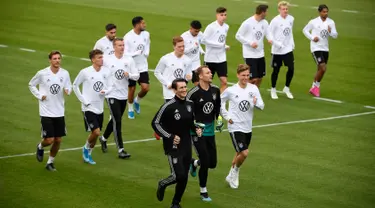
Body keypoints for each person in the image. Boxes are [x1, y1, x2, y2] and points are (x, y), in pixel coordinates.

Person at [151, 78, 203, 208]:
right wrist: (169, 136)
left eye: (185, 87)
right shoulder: (168, 106)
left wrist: (196, 129)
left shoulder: (190, 104)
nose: (184, 90)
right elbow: (155, 123)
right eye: (181, 88)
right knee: (177, 175)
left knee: (184, 177)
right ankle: (163, 183)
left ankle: (175, 203)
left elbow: (190, 123)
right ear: (174, 90)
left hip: (186, 145)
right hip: (172, 146)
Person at [220, 64, 265, 189]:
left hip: (248, 126)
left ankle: (230, 175)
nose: (245, 77)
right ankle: (235, 172)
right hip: (235, 126)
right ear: (238, 75)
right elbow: (220, 102)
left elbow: (262, 105)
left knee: (239, 153)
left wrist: (256, 103)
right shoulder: (231, 90)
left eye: (247, 75)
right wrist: (227, 116)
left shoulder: (254, 88)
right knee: (244, 153)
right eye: (243, 75)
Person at [29, 50, 72, 171]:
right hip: (46, 111)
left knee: (58, 140)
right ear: (50, 60)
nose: (57, 60)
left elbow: (69, 85)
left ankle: (50, 162)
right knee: (49, 139)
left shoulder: (65, 73)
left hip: (59, 111)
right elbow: (31, 85)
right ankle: (40, 146)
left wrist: (68, 90)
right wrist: (39, 95)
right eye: (55, 58)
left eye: (59, 58)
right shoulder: (42, 73)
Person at [186, 66, 222, 201]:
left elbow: (217, 107)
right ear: (200, 76)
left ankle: (194, 163)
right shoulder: (193, 93)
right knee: (206, 161)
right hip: (197, 132)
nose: (211, 74)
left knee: (212, 163)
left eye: (211, 72)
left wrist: (218, 119)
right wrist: (195, 126)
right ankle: (203, 191)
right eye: (208, 73)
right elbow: (187, 112)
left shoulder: (215, 90)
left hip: (210, 131)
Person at [99, 38, 139, 158]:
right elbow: (98, 70)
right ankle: (121, 149)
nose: (122, 47)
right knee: (118, 121)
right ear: (114, 47)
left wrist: (129, 75)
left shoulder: (129, 59)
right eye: (119, 45)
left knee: (115, 120)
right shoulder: (107, 59)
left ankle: (103, 138)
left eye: (123, 45)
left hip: (123, 95)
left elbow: (136, 75)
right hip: (111, 94)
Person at [72, 49, 110, 165]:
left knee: (95, 134)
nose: (101, 59)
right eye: (99, 57)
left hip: (100, 108)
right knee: (96, 132)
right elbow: (75, 85)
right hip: (88, 107)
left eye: (101, 57)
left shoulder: (106, 72)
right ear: (93, 59)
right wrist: (84, 100)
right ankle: (85, 148)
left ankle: (89, 154)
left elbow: (110, 86)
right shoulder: (85, 72)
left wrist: (106, 91)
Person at [303, 4, 338, 97]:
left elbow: (335, 35)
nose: (325, 13)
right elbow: (305, 30)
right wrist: (312, 37)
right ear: (319, 12)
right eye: (324, 12)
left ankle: (313, 88)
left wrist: (331, 32)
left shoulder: (331, 22)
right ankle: (316, 87)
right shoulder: (313, 22)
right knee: (323, 68)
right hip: (316, 48)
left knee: (319, 69)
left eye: (327, 12)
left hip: (325, 48)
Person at [235, 4, 270, 88]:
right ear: (262, 12)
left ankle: (255, 93)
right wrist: (250, 43)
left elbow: (268, 33)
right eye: (266, 12)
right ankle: (245, 92)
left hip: (260, 54)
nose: (267, 13)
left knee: (260, 77)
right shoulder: (247, 23)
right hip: (249, 54)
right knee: (252, 78)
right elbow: (238, 36)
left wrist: (270, 39)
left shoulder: (265, 22)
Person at [124, 16, 151, 119]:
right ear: (137, 25)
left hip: (143, 65)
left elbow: (148, 43)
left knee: (145, 88)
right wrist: (135, 53)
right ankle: (130, 108)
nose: (145, 25)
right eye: (143, 23)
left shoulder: (146, 34)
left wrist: (147, 52)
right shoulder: (128, 37)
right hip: (131, 67)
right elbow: (125, 54)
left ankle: (137, 101)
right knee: (132, 88)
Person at [268, 1, 295, 99]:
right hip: (277, 50)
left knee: (291, 68)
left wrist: (292, 43)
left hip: (287, 49)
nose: (285, 11)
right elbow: (269, 34)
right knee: (276, 70)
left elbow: (290, 32)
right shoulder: (275, 21)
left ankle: (286, 88)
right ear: (279, 10)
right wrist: (276, 43)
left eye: (286, 9)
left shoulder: (291, 19)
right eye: (283, 9)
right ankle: (273, 89)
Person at [154, 36, 192, 102]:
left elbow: (188, 73)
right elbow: (157, 72)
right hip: (169, 93)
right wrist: (167, 83)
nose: (182, 48)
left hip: (182, 92)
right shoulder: (166, 58)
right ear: (174, 47)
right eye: (179, 47)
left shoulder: (188, 60)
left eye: (183, 46)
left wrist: (189, 76)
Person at [201, 7, 230, 93]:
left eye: (225, 15)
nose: (224, 17)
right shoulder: (211, 27)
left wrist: (224, 46)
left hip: (221, 59)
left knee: (224, 82)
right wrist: (219, 45)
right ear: (217, 15)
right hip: (210, 59)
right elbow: (203, 40)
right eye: (221, 15)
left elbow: (222, 41)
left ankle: (219, 102)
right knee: (207, 82)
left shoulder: (226, 27)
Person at [181, 20, 205, 86]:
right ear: (191, 28)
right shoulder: (184, 37)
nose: (197, 33)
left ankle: (199, 96)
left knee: (199, 85)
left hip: (196, 64)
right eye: (196, 31)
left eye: (198, 31)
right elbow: (182, 51)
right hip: (186, 64)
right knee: (183, 85)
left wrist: (201, 51)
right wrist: (192, 47)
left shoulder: (200, 34)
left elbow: (199, 43)